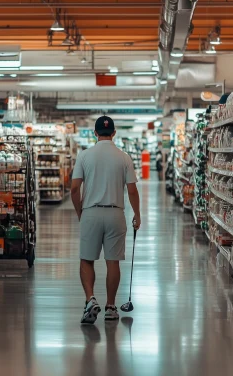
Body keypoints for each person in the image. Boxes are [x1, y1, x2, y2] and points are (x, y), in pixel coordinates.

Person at [71, 115, 141, 325]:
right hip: (115, 213)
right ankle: (111, 307)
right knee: (113, 262)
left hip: (91, 212)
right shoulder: (124, 157)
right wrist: (137, 214)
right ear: (113, 133)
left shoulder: (84, 156)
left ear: (94, 133)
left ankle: (90, 299)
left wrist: (80, 212)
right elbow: (132, 190)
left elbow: (74, 188)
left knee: (86, 259)